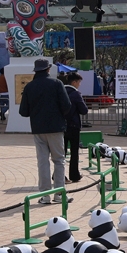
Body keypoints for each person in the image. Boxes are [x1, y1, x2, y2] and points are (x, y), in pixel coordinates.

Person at [19, 59, 72, 202]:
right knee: (59, 160)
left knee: (43, 161)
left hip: (38, 129)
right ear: (48, 69)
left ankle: (45, 195)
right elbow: (67, 105)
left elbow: (23, 112)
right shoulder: (57, 83)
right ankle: (59, 194)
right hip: (56, 128)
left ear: (35, 71)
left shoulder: (29, 87)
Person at [62, 72, 88, 183]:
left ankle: (58, 174)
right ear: (74, 82)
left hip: (61, 126)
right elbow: (84, 110)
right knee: (74, 151)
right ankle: (74, 175)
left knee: (61, 152)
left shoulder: (61, 92)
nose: (79, 85)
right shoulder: (76, 94)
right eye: (79, 82)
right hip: (73, 126)